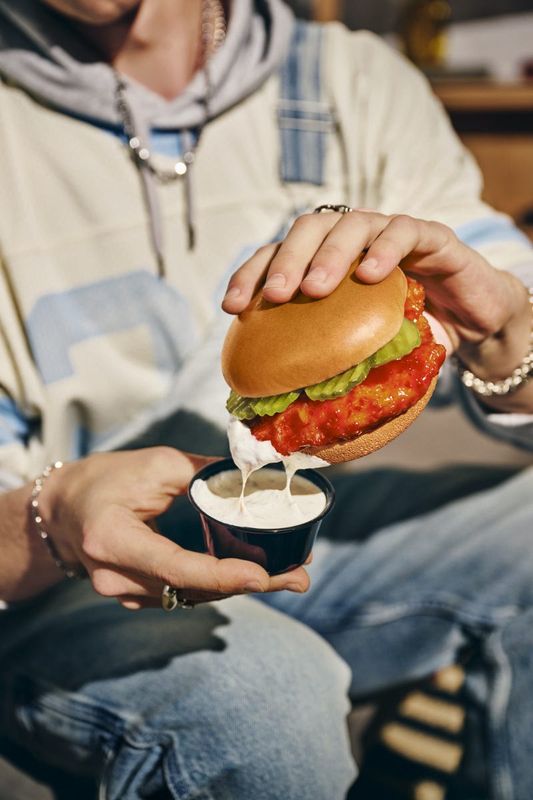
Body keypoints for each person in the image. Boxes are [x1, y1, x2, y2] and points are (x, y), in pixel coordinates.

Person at [0, 1, 532, 798]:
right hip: (59, 583)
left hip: (326, 531)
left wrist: (508, 333)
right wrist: (53, 517)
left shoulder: (352, 81)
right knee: (262, 697)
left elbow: (509, 341)